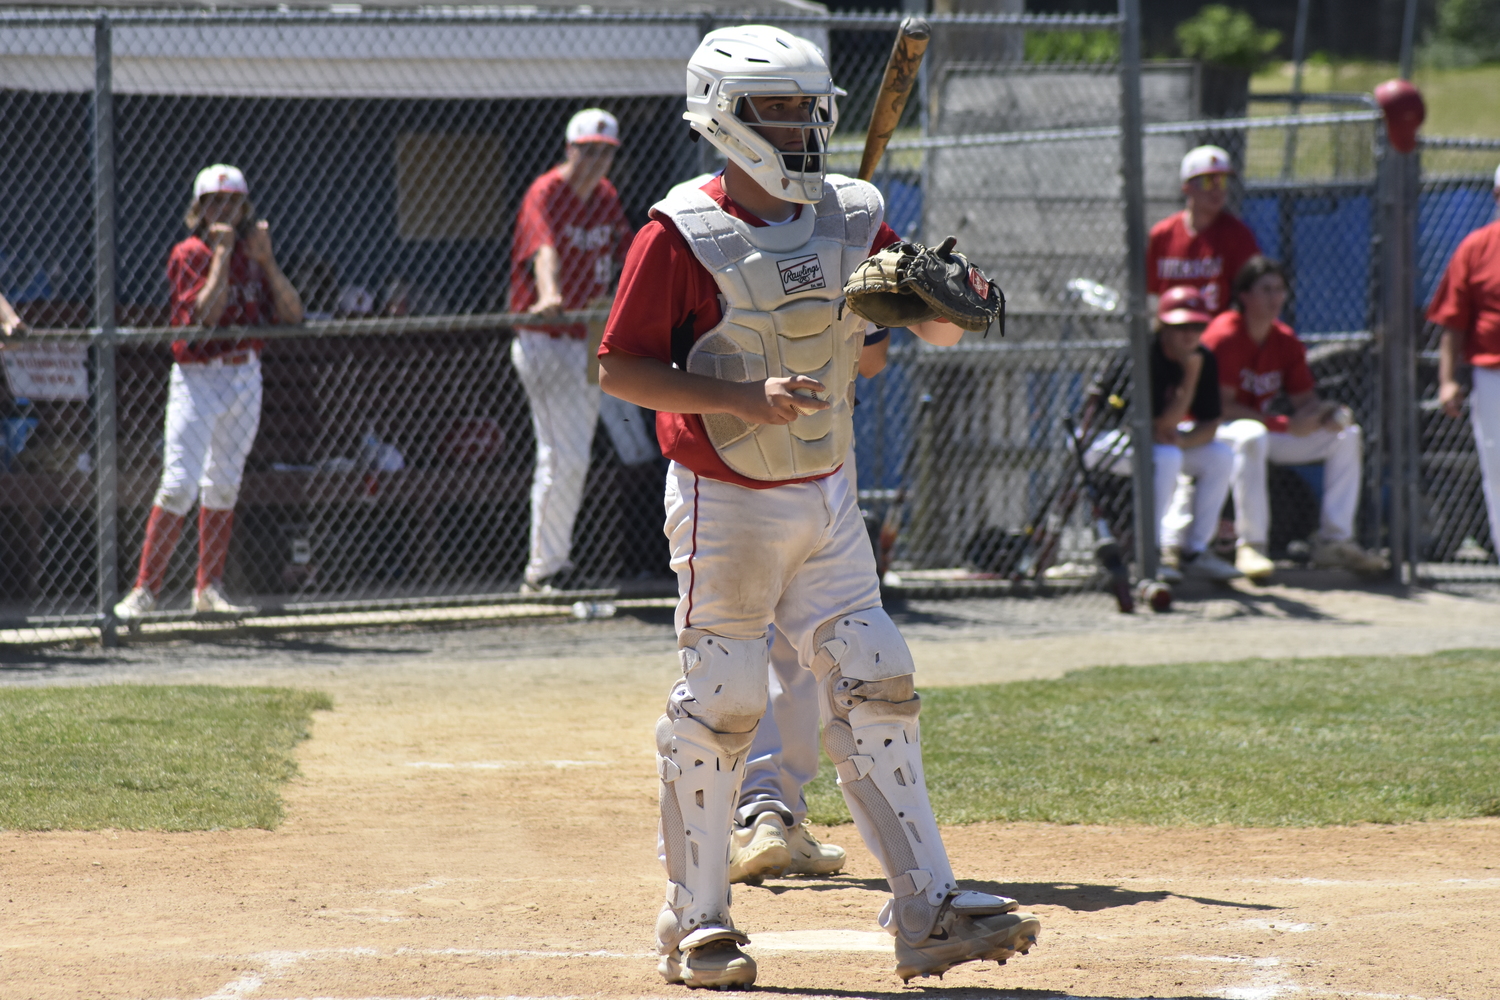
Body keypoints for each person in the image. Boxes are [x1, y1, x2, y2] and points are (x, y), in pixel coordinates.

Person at [597, 24, 1040, 990]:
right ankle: (697, 923)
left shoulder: (853, 213)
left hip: (827, 493)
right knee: (724, 702)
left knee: (876, 675)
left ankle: (926, 906)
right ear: (726, 119)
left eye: (810, 107)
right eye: (779, 110)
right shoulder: (679, 233)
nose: (801, 127)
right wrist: (742, 398)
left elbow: (887, 338)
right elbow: (622, 367)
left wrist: (935, 305)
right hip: (725, 496)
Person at [729, 335, 891, 886]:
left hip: (728, 450)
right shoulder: (845, 245)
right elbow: (871, 360)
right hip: (815, 457)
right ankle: (763, 812)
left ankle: (767, 816)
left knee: (746, 639)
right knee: (800, 642)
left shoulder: (704, 246)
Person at [114, 164, 303, 620]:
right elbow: (205, 317)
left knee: (223, 484)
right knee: (179, 484)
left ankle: (208, 589)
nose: (224, 210)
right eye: (214, 203)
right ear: (198, 210)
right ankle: (145, 590)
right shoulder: (190, 252)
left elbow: (294, 315)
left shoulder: (254, 254)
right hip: (198, 378)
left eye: (232, 202)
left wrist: (268, 261)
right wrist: (220, 254)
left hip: (244, 374)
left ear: (244, 207)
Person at [509, 108, 636, 594]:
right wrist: (550, 294)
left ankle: (550, 566)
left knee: (571, 456)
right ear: (569, 149)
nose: (596, 160)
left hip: (585, 340)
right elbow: (544, 251)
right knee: (561, 456)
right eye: (587, 150)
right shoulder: (547, 191)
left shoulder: (606, 198)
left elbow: (628, 255)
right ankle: (544, 570)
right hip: (544, 335)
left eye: (605, 152)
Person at [1203, 256, 1387, 579]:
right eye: (1266, 290)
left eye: (1280, 290)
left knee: (1346, 436)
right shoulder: (1225, 335)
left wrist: (1325, 415)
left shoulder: (1284, 339)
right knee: (1250, 435)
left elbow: (1305, 400)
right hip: (1214, 432)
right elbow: (1222, 408)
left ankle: (1335, 540)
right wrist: (1286, 425)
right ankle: (1252, 545)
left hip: (1262, 431)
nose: (1275, 298)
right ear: (1244, 296)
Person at [1086, 286, 1239, 583]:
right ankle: (1150, 553)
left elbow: (1210, 425)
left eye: (1197, 326)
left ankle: (1195, 552)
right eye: (1181, 326)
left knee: (1220, 456)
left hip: (1149, 443)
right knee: (1167, 457)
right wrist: (1190, 376)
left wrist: (1183, 441)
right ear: (1163, 326)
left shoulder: (1201, 356)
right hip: (1103, 440)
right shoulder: (1146, 356)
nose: (1189, 334)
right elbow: (1160, 428)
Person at [1429, 162, 1500, 561]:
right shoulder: (1476, 247)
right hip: (1493, 375)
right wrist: (1447, 380)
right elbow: (1452, 323)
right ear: (1496, 196)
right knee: (1497, 468)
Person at [1147, 145, 1262, 316]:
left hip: (1215, 334)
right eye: (1208, 181)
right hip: (1171, 332)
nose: (1217, 190)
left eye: (1222, 181)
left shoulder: (1238, 235)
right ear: (1186, 187)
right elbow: (1151, 290)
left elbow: (1252, 292)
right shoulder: (1162, 234)